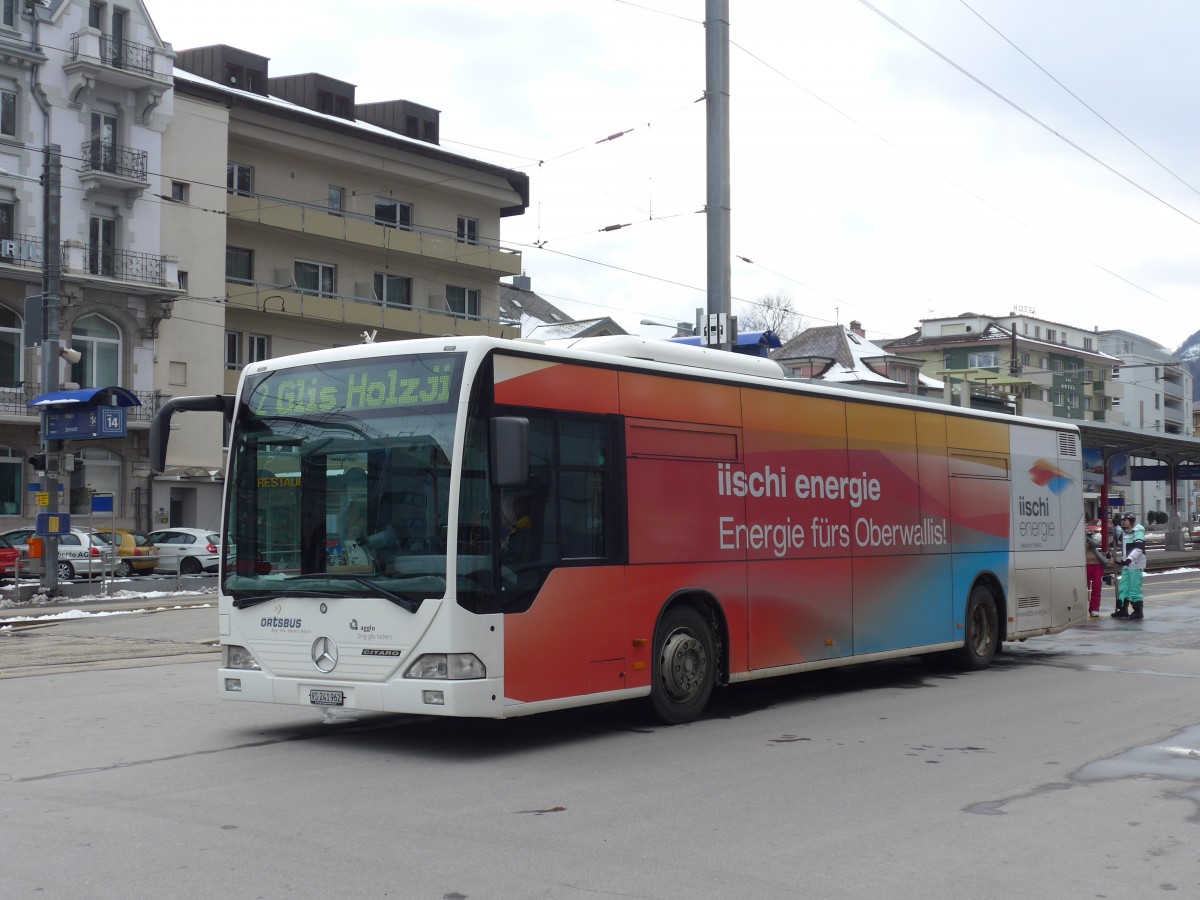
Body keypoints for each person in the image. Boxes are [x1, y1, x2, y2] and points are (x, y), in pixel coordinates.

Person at [1112, 513, 1147, 620]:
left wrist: (1129, 559)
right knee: (1124, 587)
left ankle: (1138, 611)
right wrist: (1116, 526)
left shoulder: (1138, 531)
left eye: (1125, 520)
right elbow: (1122, 538)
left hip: (1135, 564)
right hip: (1127, 564)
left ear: (1131, 521)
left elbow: (1139, 548)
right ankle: (1123, 610)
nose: (1123, 522)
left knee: (1135, 588)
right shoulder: (1127, 532)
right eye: (1122, 520)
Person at [1084, 530, 1108, 618]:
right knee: (1082, 588)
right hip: (1084, 565)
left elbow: (1096, 544)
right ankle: (1081, 609)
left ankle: (1094, 609)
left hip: (1097, 565)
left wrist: (1087, 537)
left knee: (1096, 587)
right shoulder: (1077, 538)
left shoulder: (1093, 536)